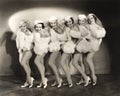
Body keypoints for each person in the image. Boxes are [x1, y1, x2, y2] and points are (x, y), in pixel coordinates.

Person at [86, 13, 106, 85]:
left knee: (88, 59)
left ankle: (93, 76)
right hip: (87, 44)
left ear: (94, 18)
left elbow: (101, 36)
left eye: (92, 18)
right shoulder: (88, 26)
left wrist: (98, 45)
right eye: (89, 19)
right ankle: (87, 77)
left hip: (94, 44)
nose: (90, 20)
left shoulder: (98, 26)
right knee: (86, 60)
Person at [73, 14, 91, 86]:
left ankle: (85, 78)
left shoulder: (83, 27)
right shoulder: (79, 26)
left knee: (75, 62)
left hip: (81, 44)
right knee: (81, 62)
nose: (81, 22)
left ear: (85, 21)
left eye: (83, 20)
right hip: (82, 43)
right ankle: (82, 79)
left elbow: (84, 37)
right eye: (80, 20)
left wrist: (75, 45)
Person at [15, 20, 34, 88]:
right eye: (21, 26)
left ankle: (29, 80)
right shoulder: (20, 32)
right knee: (26, 64)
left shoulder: (29, 32)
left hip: (28, 50)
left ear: (27, 26)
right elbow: (19, 41)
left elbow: (32, 42)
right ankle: (28, 81)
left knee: (23, 63)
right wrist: (20, 48)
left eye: (24, 26)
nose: (23, 27)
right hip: (22, 50)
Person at [33, 20, 50, 88]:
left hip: (43, 49)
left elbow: (47, 40)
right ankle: (42, 81)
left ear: (42, 27)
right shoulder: (35, 32)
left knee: (36, 61)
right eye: (37, 27)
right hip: (38, 49)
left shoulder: (43, 32)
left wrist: (42, 46)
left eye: (40, 27)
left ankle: (43, 79)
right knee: (41, 64)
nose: (38, 28)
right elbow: (35, 41)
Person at [48, 16, 63, 88]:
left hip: (56, 47)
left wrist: (58, 44)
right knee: (53, 64)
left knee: (50, 63)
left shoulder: (59, 29)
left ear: (56, 23)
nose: (53, 24)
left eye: (54, 23)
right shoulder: (50, 29)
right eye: (51, 23)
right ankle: (58, 79)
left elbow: (63, 38)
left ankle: (58, 79)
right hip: (51, 47)